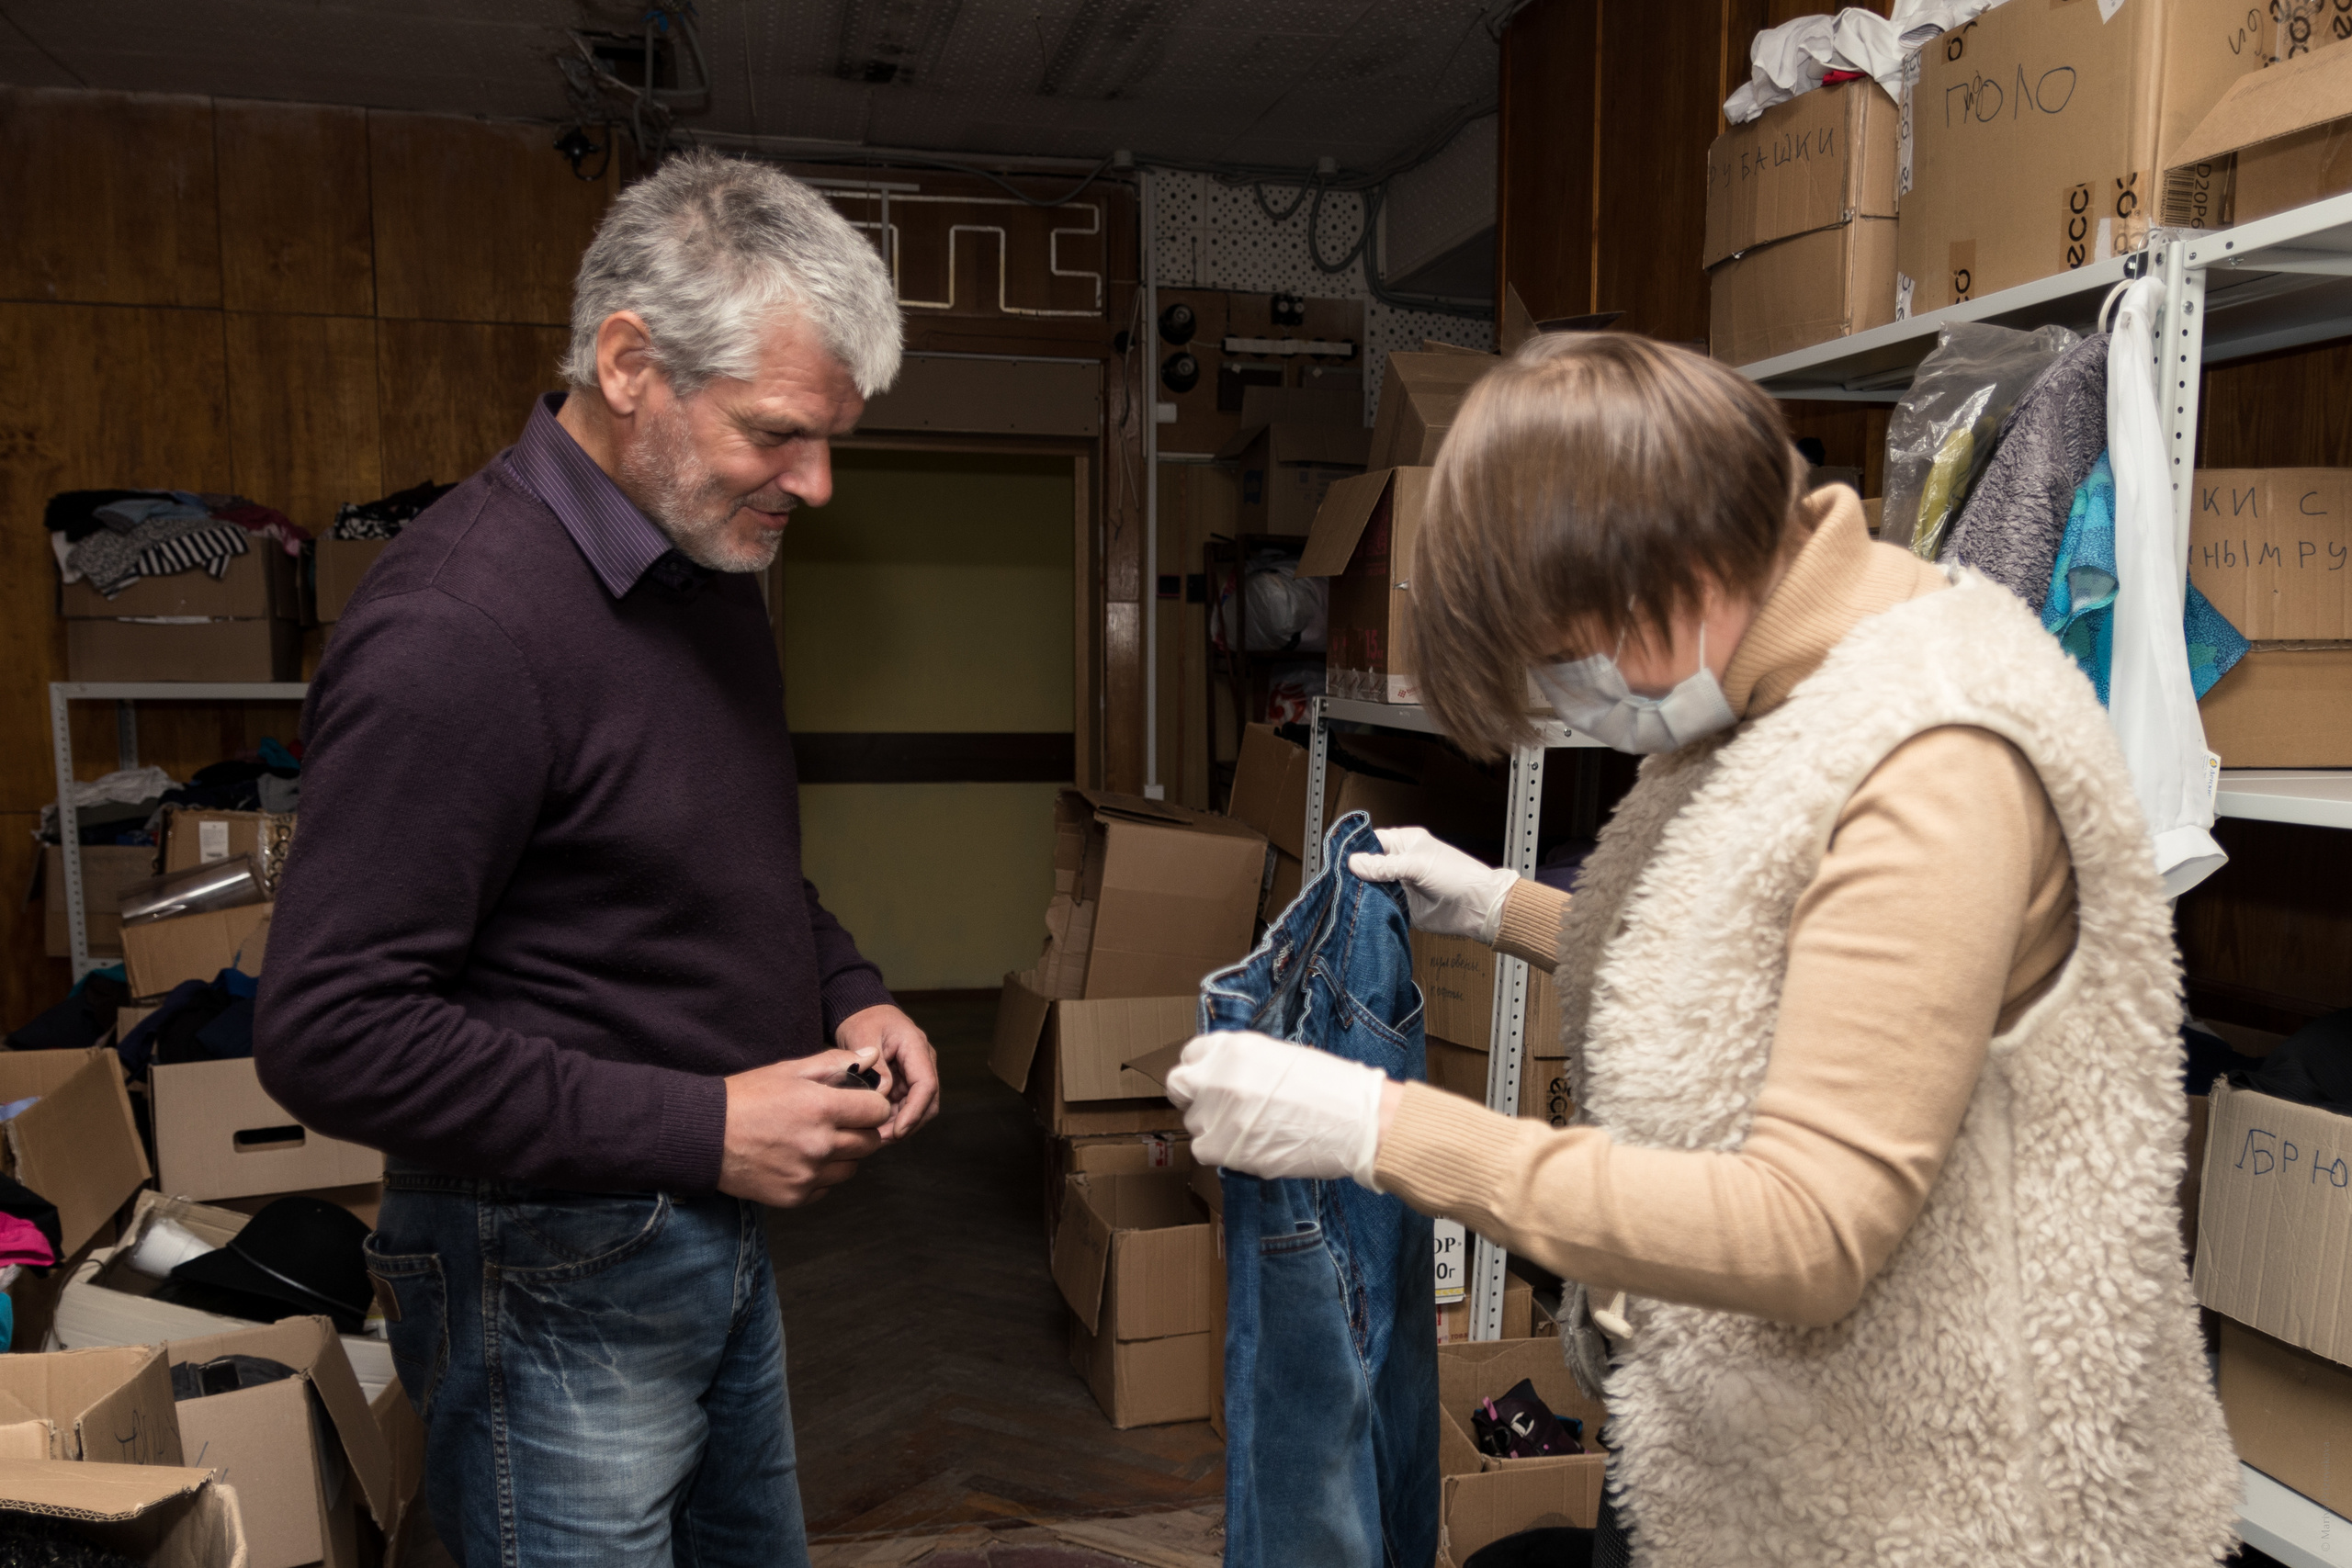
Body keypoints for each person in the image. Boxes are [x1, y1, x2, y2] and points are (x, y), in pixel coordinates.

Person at [1167, 333, 2239, 1566]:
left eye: (1563, 672)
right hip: (1754, 1442)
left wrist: (1380, 1131)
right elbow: (1780, 974)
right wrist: (1503, 907)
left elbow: (1808, 1228)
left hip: (1936, 1502)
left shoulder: (1935, 759)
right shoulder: (1787, 677)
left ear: (1667, 578)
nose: (1573, 713)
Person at [254, 152, 939, 1568]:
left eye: (831, 440)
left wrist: (850, 990)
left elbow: (721, 863)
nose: (815, 486)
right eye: (777, 433)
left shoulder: (709, 566)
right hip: (543, 1275)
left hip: (704, 1230)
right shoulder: (456, 629)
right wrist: (705, 1128)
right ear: (630, 363)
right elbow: (327, 1034)